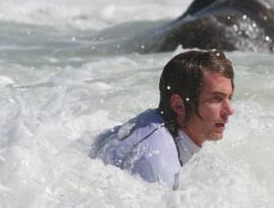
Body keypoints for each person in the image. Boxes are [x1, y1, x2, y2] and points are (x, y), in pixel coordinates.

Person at [91, 50, 235, 188]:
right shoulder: (157, 164)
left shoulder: (153, 124)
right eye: (216, 99)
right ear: (179, 105)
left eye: (230, 98)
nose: (230, 110)